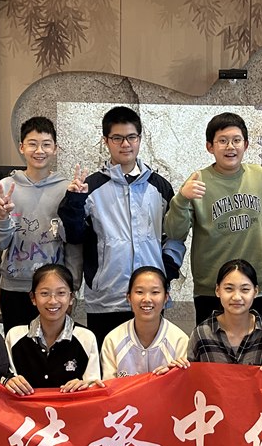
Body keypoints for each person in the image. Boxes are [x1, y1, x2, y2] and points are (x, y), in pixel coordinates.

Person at [58, 106, 185, 347]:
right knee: (107, 363)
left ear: (140, 138)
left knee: (151, 362)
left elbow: (175, 235)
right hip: (106, 298)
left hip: (149, 297)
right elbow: (73, 236)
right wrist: (74, 201)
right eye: (117, 138)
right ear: (106, 140)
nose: (125, 144)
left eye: (131, 137)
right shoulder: (90, 186)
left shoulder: (160, 187)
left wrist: (166, 270)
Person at [165, 112, 262, 325]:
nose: (230, 146)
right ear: (210, 146)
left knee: (252, 343)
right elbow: (174, 232)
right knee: (210, 344)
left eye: (236, 140)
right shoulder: (198, 181)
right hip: (211, 288)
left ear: (246, 145)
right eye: (222, 141)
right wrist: (181, 198)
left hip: (251, 287)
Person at [0, 116, 82, 334]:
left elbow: (73, 244)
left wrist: (72, 287)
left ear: (55, 148)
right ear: (21, 147)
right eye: (32, 144)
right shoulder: (6, 187)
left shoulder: (66, 189)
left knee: (54, 344)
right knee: (17, 344)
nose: (39, 150)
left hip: (54, 289)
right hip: (14, 285)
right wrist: (3, 217)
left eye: (46, 144)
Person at [3, 263, 102, 394]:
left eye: (61, 293)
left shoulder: (86, 337)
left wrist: (85, 386)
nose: (53, 301)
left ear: (71, 298)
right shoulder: (15, 336)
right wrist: (9, 381)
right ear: (33, 298)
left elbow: (95, 388)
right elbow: (5, 379)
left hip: (71, 406)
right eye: (45, 293)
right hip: (25, 407)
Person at [185, 259, 262, 365]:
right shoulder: (202, 333)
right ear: (217, 290)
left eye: (245, 289)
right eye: (229, 289)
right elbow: (190, 372)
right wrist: (180, 367)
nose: (236, 297)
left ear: (255, 292)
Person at [101, 266, 189, 379]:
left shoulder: (180, 340)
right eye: (139, 292)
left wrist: (174, 376)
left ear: (166, 297)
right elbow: (109, 386)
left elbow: (184, 385)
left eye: (155, 292)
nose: (147, 299)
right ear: (129, 297)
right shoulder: (113, 340)